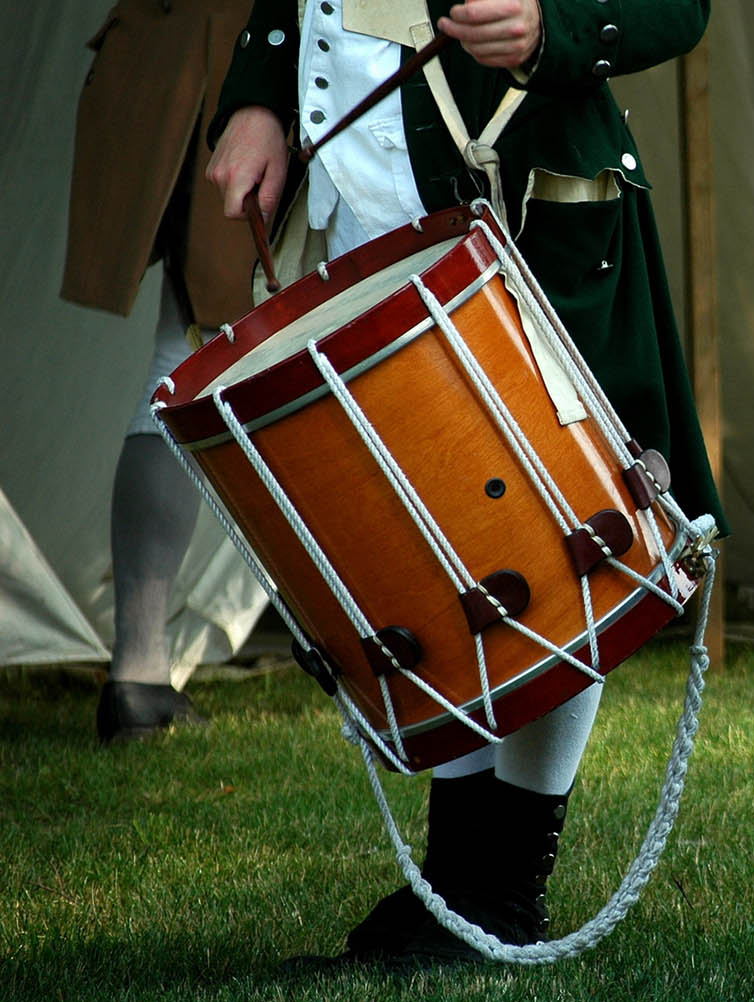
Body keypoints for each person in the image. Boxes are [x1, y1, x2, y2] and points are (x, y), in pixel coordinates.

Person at [205, 0, 724, 965]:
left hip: (529, 190)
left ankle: (502, 889)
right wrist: (263, 95)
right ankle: (459, 881)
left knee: (562, 527)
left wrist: (554, 23)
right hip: (369, 192)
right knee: (438, 535)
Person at [61, 0, 259, 745]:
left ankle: (139, 675)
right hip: (238, 69)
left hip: (176, 56)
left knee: (185, 352)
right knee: (194, 351)